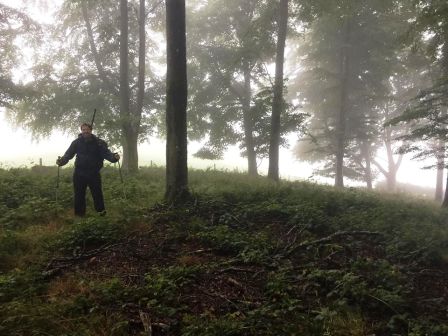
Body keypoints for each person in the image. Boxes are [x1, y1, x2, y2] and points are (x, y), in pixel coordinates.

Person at [56, 123, 120, 217]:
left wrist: (114, 157)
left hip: (94, 173)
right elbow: (68, 154)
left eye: (87, 129)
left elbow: (107, 153)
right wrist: (61, 161)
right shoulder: (76, 142)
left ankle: (101, 214)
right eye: (83, 130)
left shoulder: (99, 143)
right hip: (79, 173)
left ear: (91, 130)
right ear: (81, 131)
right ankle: (79, 216)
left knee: (97, 194)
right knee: (79, 195)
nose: (85, 131)